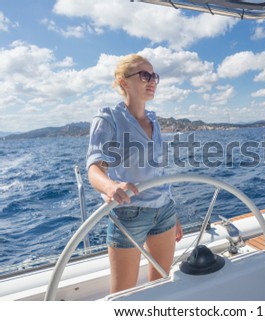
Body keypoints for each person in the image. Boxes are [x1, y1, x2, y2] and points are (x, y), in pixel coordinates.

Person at [86, 54, 183, 293]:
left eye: (154, 76)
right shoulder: (108, 118)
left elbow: (158, 171)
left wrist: (173, 212)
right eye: (144, 75)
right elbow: (94, 167)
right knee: (123, 296)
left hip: (164, 212)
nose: (152, 81)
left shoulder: (154, 120)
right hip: (129, 214)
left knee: (161, 286)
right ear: (123, 82)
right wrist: (110, 187)